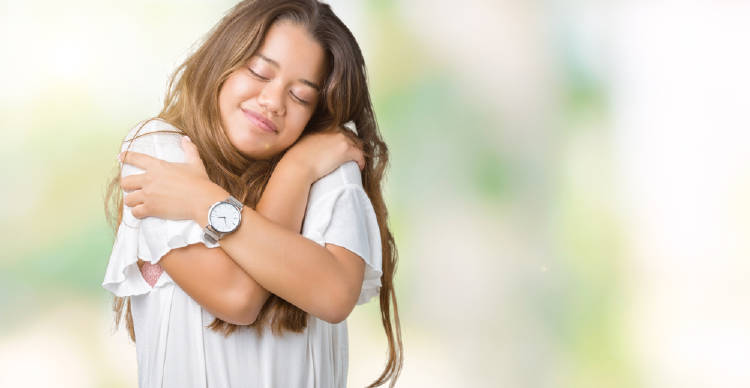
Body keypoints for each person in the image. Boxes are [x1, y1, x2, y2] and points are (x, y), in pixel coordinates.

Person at [101, 1, 402, 387]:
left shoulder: (327, 165)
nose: (273, 102)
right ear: (223, 60)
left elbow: (334, 294)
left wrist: (203, 200)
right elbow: (236, 295)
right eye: (260, 72)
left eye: (300, 97)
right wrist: (296, 174)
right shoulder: (158, 149)